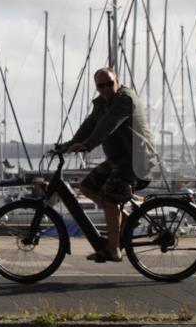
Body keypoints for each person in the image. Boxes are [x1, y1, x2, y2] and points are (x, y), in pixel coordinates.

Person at [59, 67, 157, 262]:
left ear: (117, 81)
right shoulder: (102, 103)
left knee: (110, 198)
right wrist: (65, 146)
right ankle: (127, 219)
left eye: (109, 84)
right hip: (119, 160)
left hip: (136, 161)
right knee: (86, 187)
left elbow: (107, 126)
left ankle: (114, 249)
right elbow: (89, 125)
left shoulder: (124, 100)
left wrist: (87, 145)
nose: (105, 89)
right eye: (100, 86)